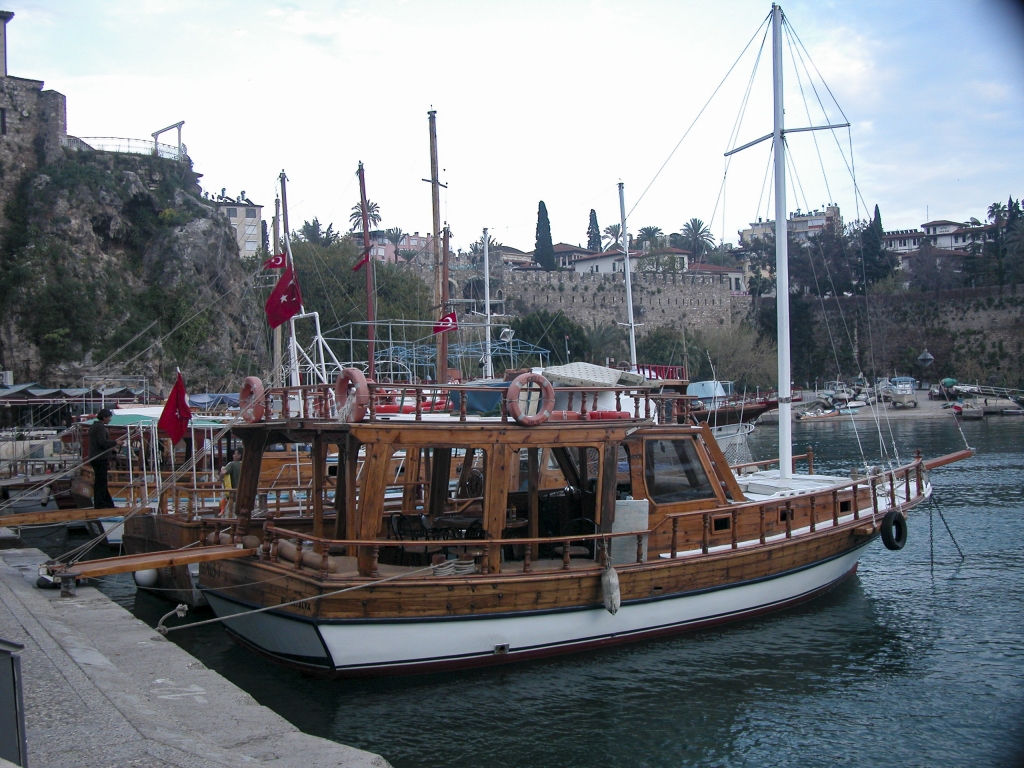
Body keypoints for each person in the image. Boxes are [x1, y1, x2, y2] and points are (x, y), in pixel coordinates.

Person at [88, 409, 118, 509]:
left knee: (101, 481)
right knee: (101, 481)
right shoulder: (100, 427)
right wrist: (115, 443)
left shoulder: (93, 426)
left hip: (95, 457)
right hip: (100, 458)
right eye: (109, 417)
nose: (109, 419)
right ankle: (100, 504)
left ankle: (107, 503)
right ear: (104, 417)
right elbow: (102, 442)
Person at [219, 447, 243, 516]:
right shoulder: (248, 465)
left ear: (239, 456)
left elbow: (223, 472)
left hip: (234, 498)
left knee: (231, 515)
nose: (233, 455)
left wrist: (221, 478)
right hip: (246, 498)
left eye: (235, 454)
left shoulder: (232, 464)